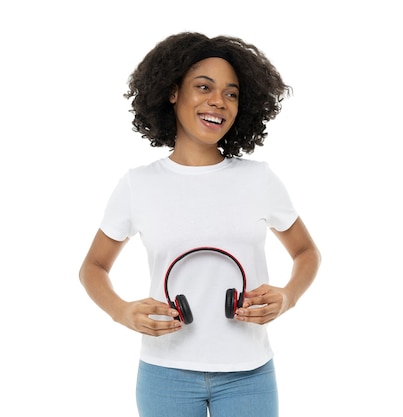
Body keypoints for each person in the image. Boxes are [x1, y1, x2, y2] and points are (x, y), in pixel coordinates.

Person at [79, 32, 321, 417]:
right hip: (165, 374)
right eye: (203, 87)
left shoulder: (260, 180)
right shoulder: (137, 184)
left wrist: (289, 295)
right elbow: (93, 267)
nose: (218, 102)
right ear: (173, 92)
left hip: (249, 374)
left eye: (231, 93)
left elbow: (306, 252)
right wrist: (121, 311)